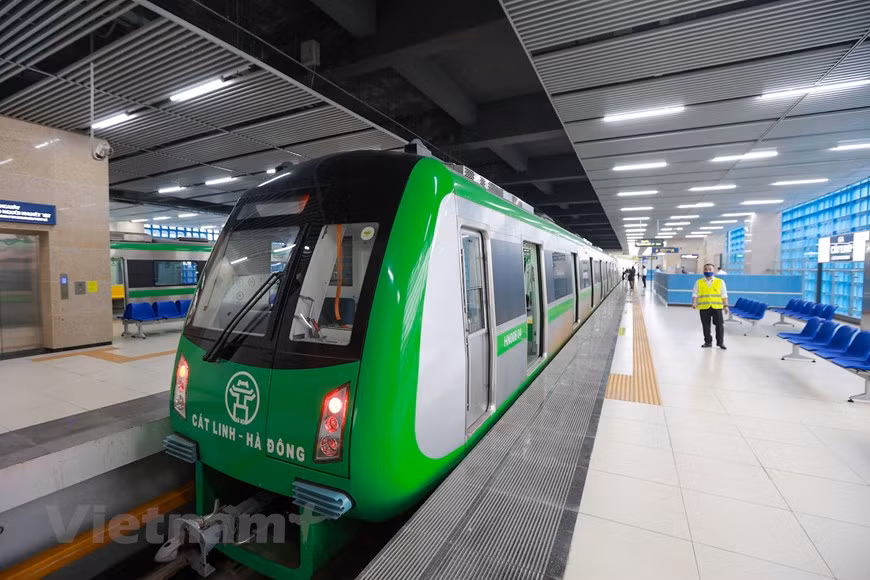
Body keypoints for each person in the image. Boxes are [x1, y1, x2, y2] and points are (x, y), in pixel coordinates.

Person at [692, 263, 729, 350]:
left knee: (719, 325)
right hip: (704, 307)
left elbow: (724, 295)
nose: (707, 271)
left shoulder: (720, 282)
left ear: (713, 271)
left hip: (717, 307)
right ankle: (708, 342)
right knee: (706, 325)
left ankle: (720, 343)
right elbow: (695, 293)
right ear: (703, 271)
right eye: (706, 269)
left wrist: (726, 306)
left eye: (710, 269)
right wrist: (694, 302)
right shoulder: (698, 282)